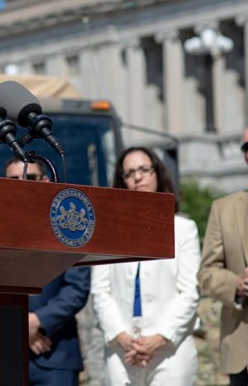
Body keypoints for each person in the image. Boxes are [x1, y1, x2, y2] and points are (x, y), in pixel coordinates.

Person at [92, 147, 200, 385]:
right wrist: (121, 336)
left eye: (143, 170)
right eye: (129, 173)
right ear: (122, 180)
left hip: (171, 348)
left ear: (157, 174)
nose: (137, 177)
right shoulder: (108, 232)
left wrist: (160, 337)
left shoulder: (183, 229)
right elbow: (100, 291)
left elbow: (190, 290)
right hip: (122, 350)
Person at [199, 124, 248, 386]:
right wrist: (238, 285)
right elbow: (207, 272)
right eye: (247, 145)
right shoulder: (223, 208)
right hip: (241, 336)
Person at [3, 157, 90, 386]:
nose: (21, 184)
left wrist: (38, 321)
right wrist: (18, 328)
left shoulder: (70, 228)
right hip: (7, 354)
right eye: (13, 180)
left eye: (28, 177)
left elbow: (77, 288)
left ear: (44, 180)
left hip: (55, 354)